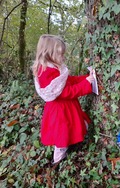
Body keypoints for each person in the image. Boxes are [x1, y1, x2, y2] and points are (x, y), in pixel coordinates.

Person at [32, 34, 95, 164]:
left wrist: (85, 78)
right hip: (59, 111)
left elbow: (68, 81)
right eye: (60, 54)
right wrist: (86, 84)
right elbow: (65, 91)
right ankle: (58, 161)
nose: (63, 57)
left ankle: (71, 145)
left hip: (65, 107)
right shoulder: (47, 72)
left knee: (74, 127)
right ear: (49, 54)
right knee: (62, 135)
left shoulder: (54, 67)